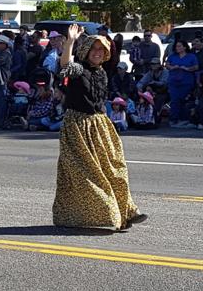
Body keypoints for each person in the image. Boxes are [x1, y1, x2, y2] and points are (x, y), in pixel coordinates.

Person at [53, 24, 144, 230]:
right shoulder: (79, 69)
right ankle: (108, 214)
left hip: (100, 124)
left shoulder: (102, 72)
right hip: (77, 126)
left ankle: (127, 211)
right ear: (86, 51)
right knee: (88, 173)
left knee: (114, 168)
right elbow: (65, 64)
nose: (98, 53)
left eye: (101, 49)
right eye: (94, 49)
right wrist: (71, 41)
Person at [165, 40, 198, 127]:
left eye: (179, 46)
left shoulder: (191, 56)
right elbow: (167, 65)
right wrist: (172, 67)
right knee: (174, 100)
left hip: (186, 81)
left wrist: (187, 69)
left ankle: (183, 119)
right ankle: (174, 119)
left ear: (185, 47)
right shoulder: (172, 56)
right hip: (173, 81)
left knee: (183, 100)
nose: (177, 48)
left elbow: (196, 67)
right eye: (176, 46)